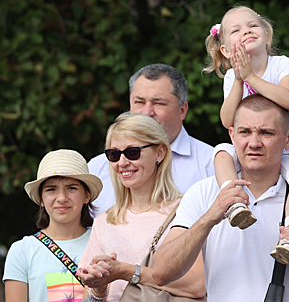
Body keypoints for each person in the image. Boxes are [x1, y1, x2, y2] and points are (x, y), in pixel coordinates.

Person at [152, 95, 289, 302]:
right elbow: (160, 273)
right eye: (245, 132)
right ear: (232, 135)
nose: (254, 143)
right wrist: (209, 218)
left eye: (266, 133)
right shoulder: (204, 192)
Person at [203, 5, 289, 264]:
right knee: (221, 153)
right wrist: (240, 80)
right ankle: (235, 204)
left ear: (266, 36)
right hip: (249, 149)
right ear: (227, 50)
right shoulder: (231, 77)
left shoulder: (281, 64)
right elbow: (227, 119)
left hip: (287, 149)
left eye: (252, 25)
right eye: (236, 30)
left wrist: (251, 75)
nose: (247, 31)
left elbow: (288, 98)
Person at [77, 112, 205, 301]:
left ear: (159, 152)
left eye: (132, 152)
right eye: (114, 154)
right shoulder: (104, 222)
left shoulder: (187, 210)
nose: (122, 162)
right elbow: (92, 297)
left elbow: (197, 285)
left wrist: (126, 271)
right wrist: (99, 288)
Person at [89, 63, 214, 217]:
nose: (146, 112)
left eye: (159, 103)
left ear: (182, 110)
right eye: (139, 102)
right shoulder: (96, 170)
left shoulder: (212, 165)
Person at [3, 149, 102, 302]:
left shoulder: (103, 242)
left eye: (71, 188)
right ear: (41, 199)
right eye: (51, 189)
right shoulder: (22, 251)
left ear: (86, 195)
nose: (62, 198)